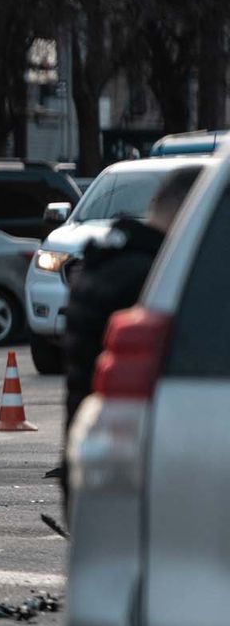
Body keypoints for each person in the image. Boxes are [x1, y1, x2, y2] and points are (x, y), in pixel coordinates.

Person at [61, 166, 198, 433]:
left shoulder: (108, 260)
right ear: (189, 213)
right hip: (127, 440)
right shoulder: (150, 277)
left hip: (89, 433)